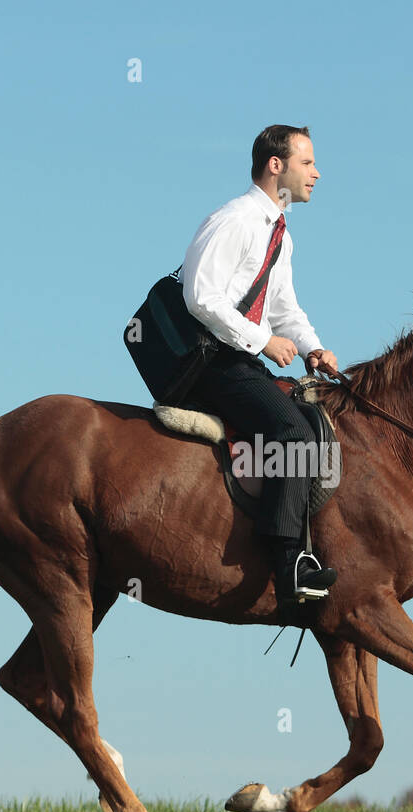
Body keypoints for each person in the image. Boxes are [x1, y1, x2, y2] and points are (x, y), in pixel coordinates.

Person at [179, 124, 341, 612]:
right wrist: (263, 341)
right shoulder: (236, 219)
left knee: (312, 418)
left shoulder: (279, 233)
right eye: (307, 162)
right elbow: (199, 296)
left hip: (239, 357)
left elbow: (284, 307)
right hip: (210, 360)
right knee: (293, 431)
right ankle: (289, 562)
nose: (316, 172)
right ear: (277, 166)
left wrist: (312, 348)